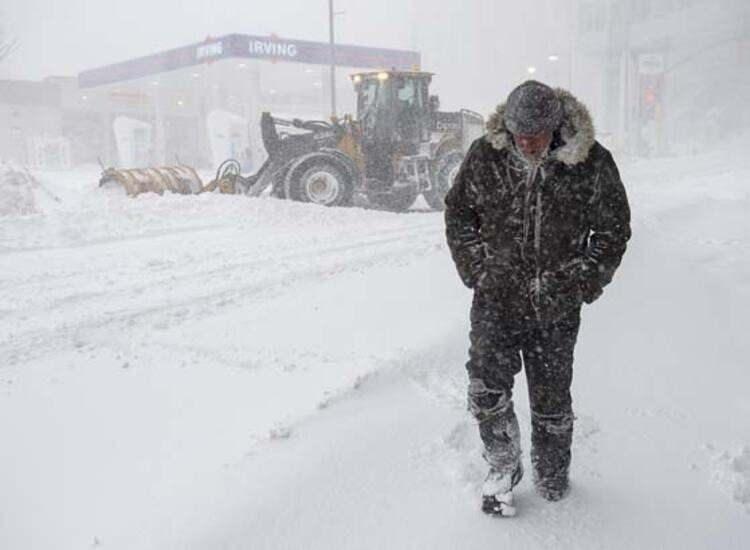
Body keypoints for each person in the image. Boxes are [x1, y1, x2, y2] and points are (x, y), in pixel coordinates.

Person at [444, 80, 631, 516]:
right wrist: (477, 269)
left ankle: (552, 471)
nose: (525, 143)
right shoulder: (485, 157)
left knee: (550, 398)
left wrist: (583, 281)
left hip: (556, 307)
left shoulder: (590, 164)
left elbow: (613, 229)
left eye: (535, 135)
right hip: (496, 300)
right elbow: (458, 213)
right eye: (518, 134)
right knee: (486, 388)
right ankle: (503, 466)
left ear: (555, 127)